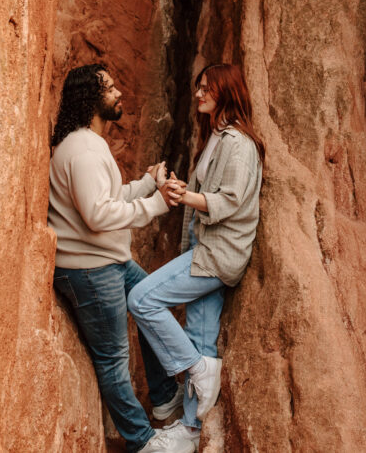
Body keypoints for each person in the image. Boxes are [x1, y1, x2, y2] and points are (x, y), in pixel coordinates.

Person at [48, 63, 187, 453]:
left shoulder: (86, 143)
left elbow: (105, 201)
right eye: (109, 87)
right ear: (91, 98)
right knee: (113, 360)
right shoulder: (83, 150)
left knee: (150, 302)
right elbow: (97, 215)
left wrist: (145, 183)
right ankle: (143, 442)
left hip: (107, 261)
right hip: (90, 269)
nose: (118, 92)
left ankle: (162, 398)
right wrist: (156, 205)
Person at [128, 64, 264, 452]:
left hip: (217, 254)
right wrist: (180, 189)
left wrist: (183, 196)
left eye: (207, 88)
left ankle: (195, 370)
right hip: (203, 249)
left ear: (226, 91)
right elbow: (212, 194)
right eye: (199, 87)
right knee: (201, 338)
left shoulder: (237, 143)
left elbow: (232, 200)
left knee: (141, 299)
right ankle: (190, 431)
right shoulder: (217, 139)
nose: (199, 93)